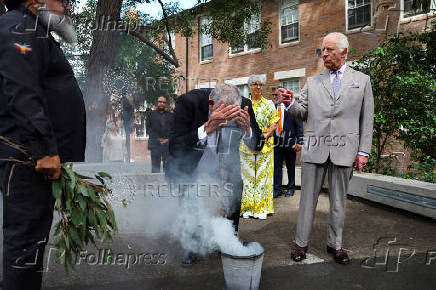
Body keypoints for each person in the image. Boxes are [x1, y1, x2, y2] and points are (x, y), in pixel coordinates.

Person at [0, 1, 86, 289]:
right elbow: (23, 89)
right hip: (27, 159)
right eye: (62, 0)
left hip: (32, 159)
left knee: (30, 243)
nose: (68, 6)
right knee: (24, 245)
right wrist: (46, 149)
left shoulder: (32, 29)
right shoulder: (19, 25)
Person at [282, 32, 374, 264]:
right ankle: (300, 245)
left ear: (344, 52)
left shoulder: (362, 81)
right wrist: (291, 103)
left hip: (345, 150)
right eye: (322, 50)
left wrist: (363, 152)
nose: (324, 54)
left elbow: (367, 119)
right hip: (315, 149)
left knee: (339, 202)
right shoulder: (313, 82)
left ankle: (336, 245)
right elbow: (302, 112)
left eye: (329, 50)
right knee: (307, 202)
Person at [168, 85, 265, 267]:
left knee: (232, 199)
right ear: (211, 105)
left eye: (232, 117)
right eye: (224, 115)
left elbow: (258, 144)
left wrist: (248, 131)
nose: (228, 123)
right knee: (195, 204)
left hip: (227, 167)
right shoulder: (188, 103)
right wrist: (207, 127)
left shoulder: (244, 104)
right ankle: (193, 245)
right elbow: (174, 147)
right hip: (196, 166)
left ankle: (227, 240)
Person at [240, 75, 279, 220]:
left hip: (265, 145)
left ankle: (261, 208)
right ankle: (248, 208)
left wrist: (265, 135)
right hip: (246, 145)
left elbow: (274, 123)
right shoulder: (244, 103)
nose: (258, 87)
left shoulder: (268, 104)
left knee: (262, 177)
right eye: (255, 84)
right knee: (248, 177)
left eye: (261, 84)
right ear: (249, 86)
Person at [272, 86, 304, 198]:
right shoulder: (273, 107)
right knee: (276, 167)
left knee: (291, 167)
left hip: (290, 143)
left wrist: (299, 142)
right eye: (273, 95)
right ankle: (277, 189)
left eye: (277, 95)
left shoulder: (291, 107)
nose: (274, 97)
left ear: (283, 94)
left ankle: (291, 188)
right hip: (276, 143)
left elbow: (299, 125)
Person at [146, 96, 173, 173]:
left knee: (167, 169)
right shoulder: (150, 114)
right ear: (157, 103)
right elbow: (148, 129)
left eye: (164, 102)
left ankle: (167, 184)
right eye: (160, 102)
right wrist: (157, 139)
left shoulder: (171, 115)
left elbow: (174, 129)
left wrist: (168, 139)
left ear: (166, 104)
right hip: (155, 144)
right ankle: (155, 184)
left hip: (167, 145)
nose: (162, 104)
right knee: (155, 169)